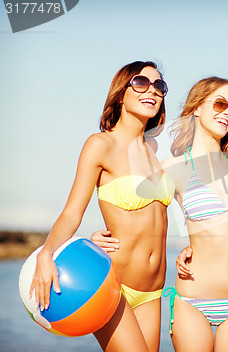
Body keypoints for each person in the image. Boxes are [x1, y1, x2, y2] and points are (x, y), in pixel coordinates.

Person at [30, 61, 174, 352]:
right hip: (112, 286)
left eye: (159, 86)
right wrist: (47, 253)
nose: (153, 91)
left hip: (153, 291)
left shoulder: (157, 150)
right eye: (141, 83)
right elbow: (72, 211)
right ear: (121, 93)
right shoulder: (100, 145)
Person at [159, 76, 228, 352]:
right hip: (194, 299)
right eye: (220, 103)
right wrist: (101, 236)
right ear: (196, 107)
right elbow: (144, 220)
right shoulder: (172, 167)